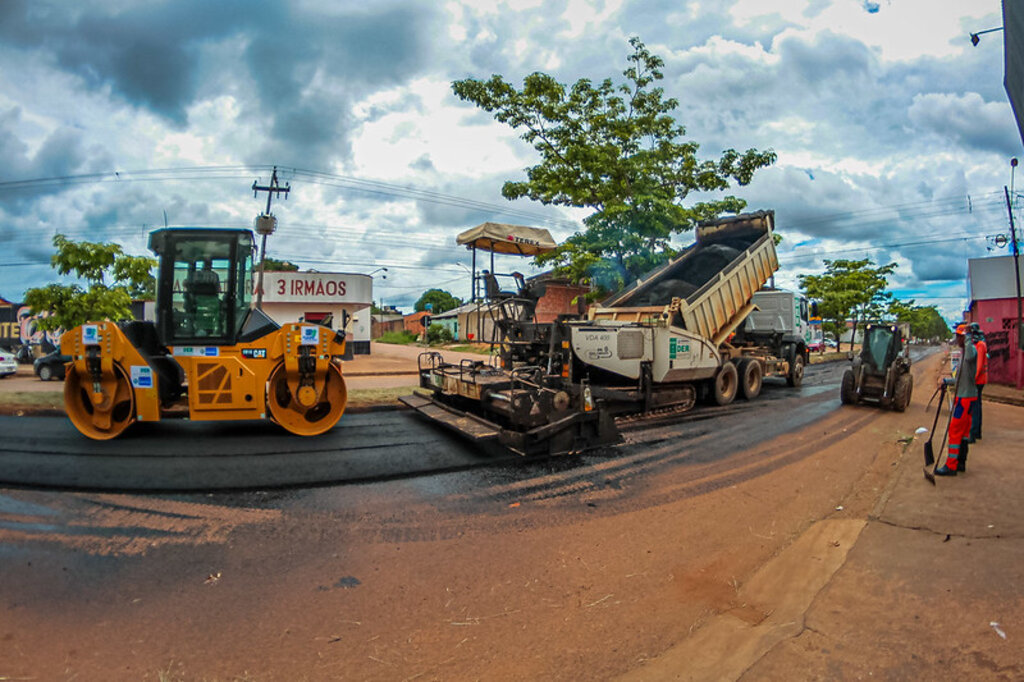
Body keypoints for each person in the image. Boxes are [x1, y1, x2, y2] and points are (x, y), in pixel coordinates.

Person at [935, 324, 979, 476]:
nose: (958, 339)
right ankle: (961, 462)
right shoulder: (963, 352)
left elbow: (970, 356)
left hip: (965, 399)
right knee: (964, 433)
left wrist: (967, 337)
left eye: (960, 336)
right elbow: (959, 379)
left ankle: (951, 465)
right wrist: (947, 382)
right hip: (965, 395)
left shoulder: (970, 351)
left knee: (954, 431)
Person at [965, 322, 987, 443]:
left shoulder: (979, 345)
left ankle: (972, 434)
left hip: (978, 380)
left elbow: (977, 366)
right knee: (978, 405)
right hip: (981, 380)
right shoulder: (982, 344)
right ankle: (977, 432)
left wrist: (972, 379)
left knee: (974, 408)